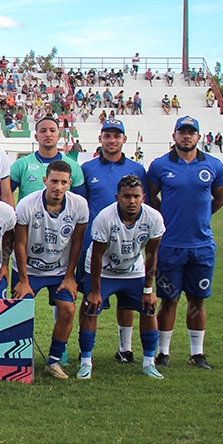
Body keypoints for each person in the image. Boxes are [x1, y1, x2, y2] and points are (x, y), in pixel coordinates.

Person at [148, 116, 223, 370]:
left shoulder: (213, 165)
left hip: (201, 246)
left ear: (198, 137)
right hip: (170, 245)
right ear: (174, 136)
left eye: (191, 132)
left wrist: (200, 219)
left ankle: (197, 353)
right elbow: (152, 197)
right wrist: (168, 219)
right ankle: (163, 353)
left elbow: (219, 198)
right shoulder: (160, 165)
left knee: (197, 299)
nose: (186, 136)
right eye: (182, 132)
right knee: (169, 300)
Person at [79, 175, 165, 379]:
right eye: (127, 196)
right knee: (90, 308)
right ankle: (85, 362)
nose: (132, 201)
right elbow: (98, 254)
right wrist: (96, 291)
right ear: (118, 197)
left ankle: (148, 363)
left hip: (133, 270)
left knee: (148, 309)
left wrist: (148, 290)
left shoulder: (153, 218)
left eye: (136, 196)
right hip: (102, 269)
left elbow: (152, 255)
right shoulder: (105, 217)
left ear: (143, 197)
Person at [11, 161, 90, 379]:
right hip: (29, 270)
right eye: (54, 181)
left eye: (63, 182)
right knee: (19, 312)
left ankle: (53, 361)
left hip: (59, 270)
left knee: (68, 310)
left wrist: (69, 276)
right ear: (45, 181)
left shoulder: (79, 205)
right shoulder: (27, 204)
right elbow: (19, 243)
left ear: (70, 184)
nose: (58, 186)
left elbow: (77, 242)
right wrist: (24, 280)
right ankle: (17, 361)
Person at [78, 118, 148, 364]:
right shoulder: (88, 169)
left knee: (127, 301)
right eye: (107, 136)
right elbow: (81, 207)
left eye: (116, 136)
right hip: (94, 245)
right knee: (90, 299)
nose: (112, 140)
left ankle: (125, 348)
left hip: (127, 245)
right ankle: (84, 351)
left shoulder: (137, 170)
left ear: (123, 140)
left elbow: (143, 207)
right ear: (100, 139)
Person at [10, 116, 86, 201]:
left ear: (59, 136)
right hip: (28, 214)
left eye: (52, 130)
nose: (48, 134)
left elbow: (80, 202)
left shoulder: (73, 167)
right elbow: (5, 194)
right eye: (43, 131)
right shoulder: (21, 165)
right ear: (36, 137)